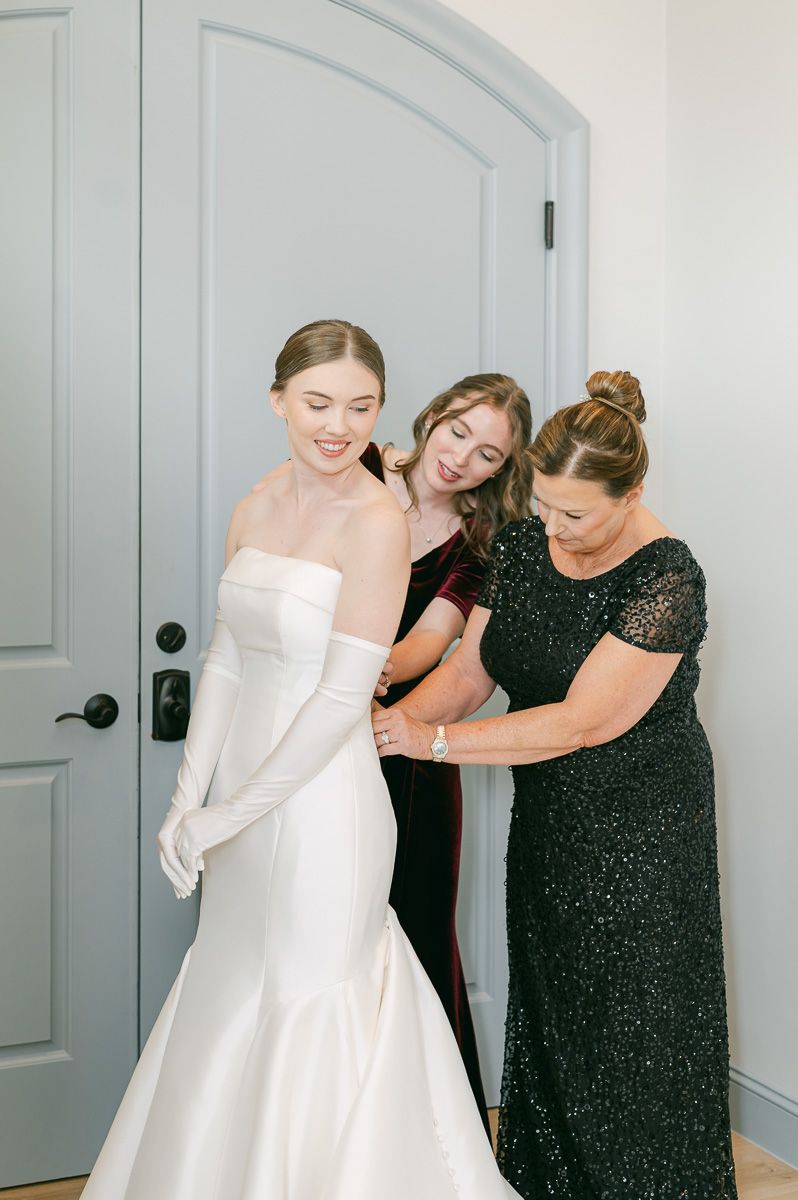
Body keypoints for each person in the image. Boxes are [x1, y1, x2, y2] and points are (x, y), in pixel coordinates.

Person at [82, 319, 522, 1200]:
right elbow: (226, 656)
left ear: (383, 412)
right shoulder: (255, 505)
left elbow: (339, 698)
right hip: (245, 792)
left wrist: (226, 812)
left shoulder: (375, 525)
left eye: (361, 407)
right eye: (320, 402)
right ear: (277, 398)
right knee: (230, 983)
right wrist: (186, 796)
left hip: (327, 801)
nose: (340, 424)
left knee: (313, 994)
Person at [373, 371, 738, 1199]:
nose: (554, 528)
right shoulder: (523, 546)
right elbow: (469, 669)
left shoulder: (667, 578)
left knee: (638, 1041)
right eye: (542, 506)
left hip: (645, 834)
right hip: (550, 823)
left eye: (575, 514)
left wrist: (425, 741)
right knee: (558, 1023)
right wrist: (379, 731)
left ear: (631, 493)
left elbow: (582, 721)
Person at [252, 370, 533, 1128]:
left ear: (501, 471)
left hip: (400, 755)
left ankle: (430, 1136)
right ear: (433, 416)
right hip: (292, 726)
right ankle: (305, 1126)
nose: (464, 458)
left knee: (412, 935)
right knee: (301, 927)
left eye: (488, 455)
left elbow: (426, 647)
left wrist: (348, 668)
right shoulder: (355, 468)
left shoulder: (480, 544)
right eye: (459, 432)